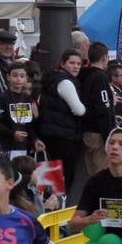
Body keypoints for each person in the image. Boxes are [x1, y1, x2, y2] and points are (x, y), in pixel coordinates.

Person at [38, 48, 87, 193]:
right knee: (64, 179)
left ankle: (50, 208)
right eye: (72, 63)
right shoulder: (66, 83)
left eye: (79, 63)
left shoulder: (51, 79)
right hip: (64, 136)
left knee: (51, 179)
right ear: (63, 63)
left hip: (49, 134)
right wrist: (87, 107)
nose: (76, 66)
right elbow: (78, 109)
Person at [78, 41, 117, 182]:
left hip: (85, 130)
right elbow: (103, 107)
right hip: (99, 133)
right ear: (104, 57)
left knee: (92, 173)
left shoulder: (82, 75)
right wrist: (109, 134)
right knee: (103, 173)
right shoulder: (99, 77)